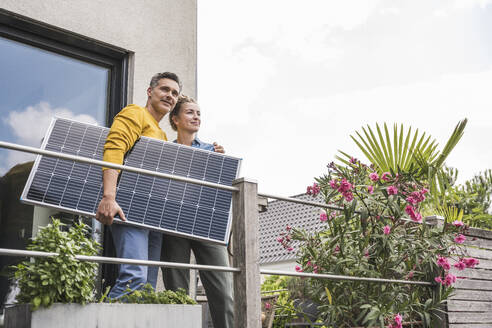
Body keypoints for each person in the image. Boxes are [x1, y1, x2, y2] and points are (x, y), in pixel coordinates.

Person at [95, 72, 182, 299]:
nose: (170, 96)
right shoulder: (136, 112)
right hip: (128, 208)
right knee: (134, 279)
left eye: (174, 93)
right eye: (164, 89)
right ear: (150, 91)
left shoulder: (161, 133)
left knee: (146, 288)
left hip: (151, 214)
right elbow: (114, 148)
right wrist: (109, 197)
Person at [161, 95, 234, 328]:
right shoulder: (164, 150)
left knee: (223, 291)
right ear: (176, 119)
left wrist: (221, 162)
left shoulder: (212, 150)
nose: (196, 117)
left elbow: (223, 187)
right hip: (174, 223)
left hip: (206, 223)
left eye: (199, 113)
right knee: (177, 289)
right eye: (190, 112)